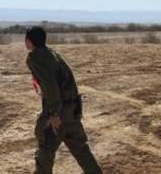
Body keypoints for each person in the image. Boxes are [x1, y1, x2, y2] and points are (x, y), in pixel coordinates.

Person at [25, 26, 103, 174]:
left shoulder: (37, 58)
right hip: (71, 111)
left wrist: (53, 114)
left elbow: (51, 88)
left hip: (58, 114)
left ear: (29, 41)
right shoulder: (51, 53)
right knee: (82, 150)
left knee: (45, 151)